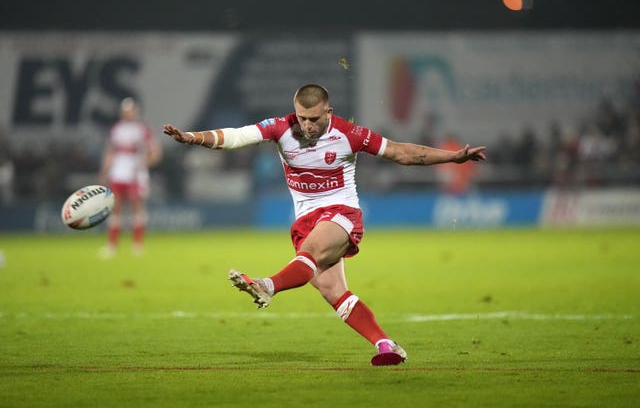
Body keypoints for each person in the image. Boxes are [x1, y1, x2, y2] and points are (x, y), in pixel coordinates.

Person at [163, 84, 486, 366]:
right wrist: (193, 137)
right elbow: (236, 137)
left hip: (340, 213)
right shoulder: (281, 128)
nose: (307, 125)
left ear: (328, 112)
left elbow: (402, 153)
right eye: (302, 118)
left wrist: (453, 156)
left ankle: (267, 286)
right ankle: (387, 345)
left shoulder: (350, 134)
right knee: (334, 291)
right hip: (306, 219)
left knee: (312, 252)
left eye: (314, 119)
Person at [99, 98, 163, 258]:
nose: (128, 114)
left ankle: (137, 245)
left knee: (137, 207)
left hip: (135, 174)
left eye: (131, 110)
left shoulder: (142, 130)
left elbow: (155, 151)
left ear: (135, 111)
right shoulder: (116, 129)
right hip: (118, 173)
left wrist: (145, 164)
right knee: (116, 208)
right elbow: (110, 152)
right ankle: (112, 245)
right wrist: (104, 172)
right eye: (126, 111)